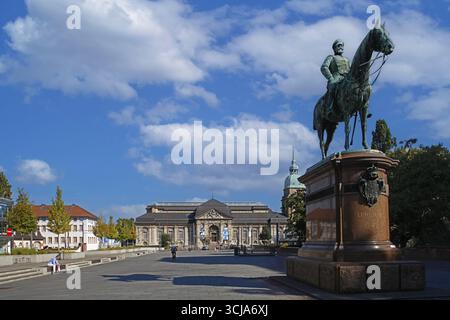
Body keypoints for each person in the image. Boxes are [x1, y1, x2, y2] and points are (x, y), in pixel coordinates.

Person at [321, 39, 351, 116]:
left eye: (342, 45)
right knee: (333, 87)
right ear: (334, 48)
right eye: (338, 45)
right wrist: (331, 78)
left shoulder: (347, 59)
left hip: (347, 79)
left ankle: (362, 106)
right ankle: (329, 108)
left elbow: (351, 70)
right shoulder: (331, 57)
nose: (341, 47)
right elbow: (324, 67)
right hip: (336, 78)